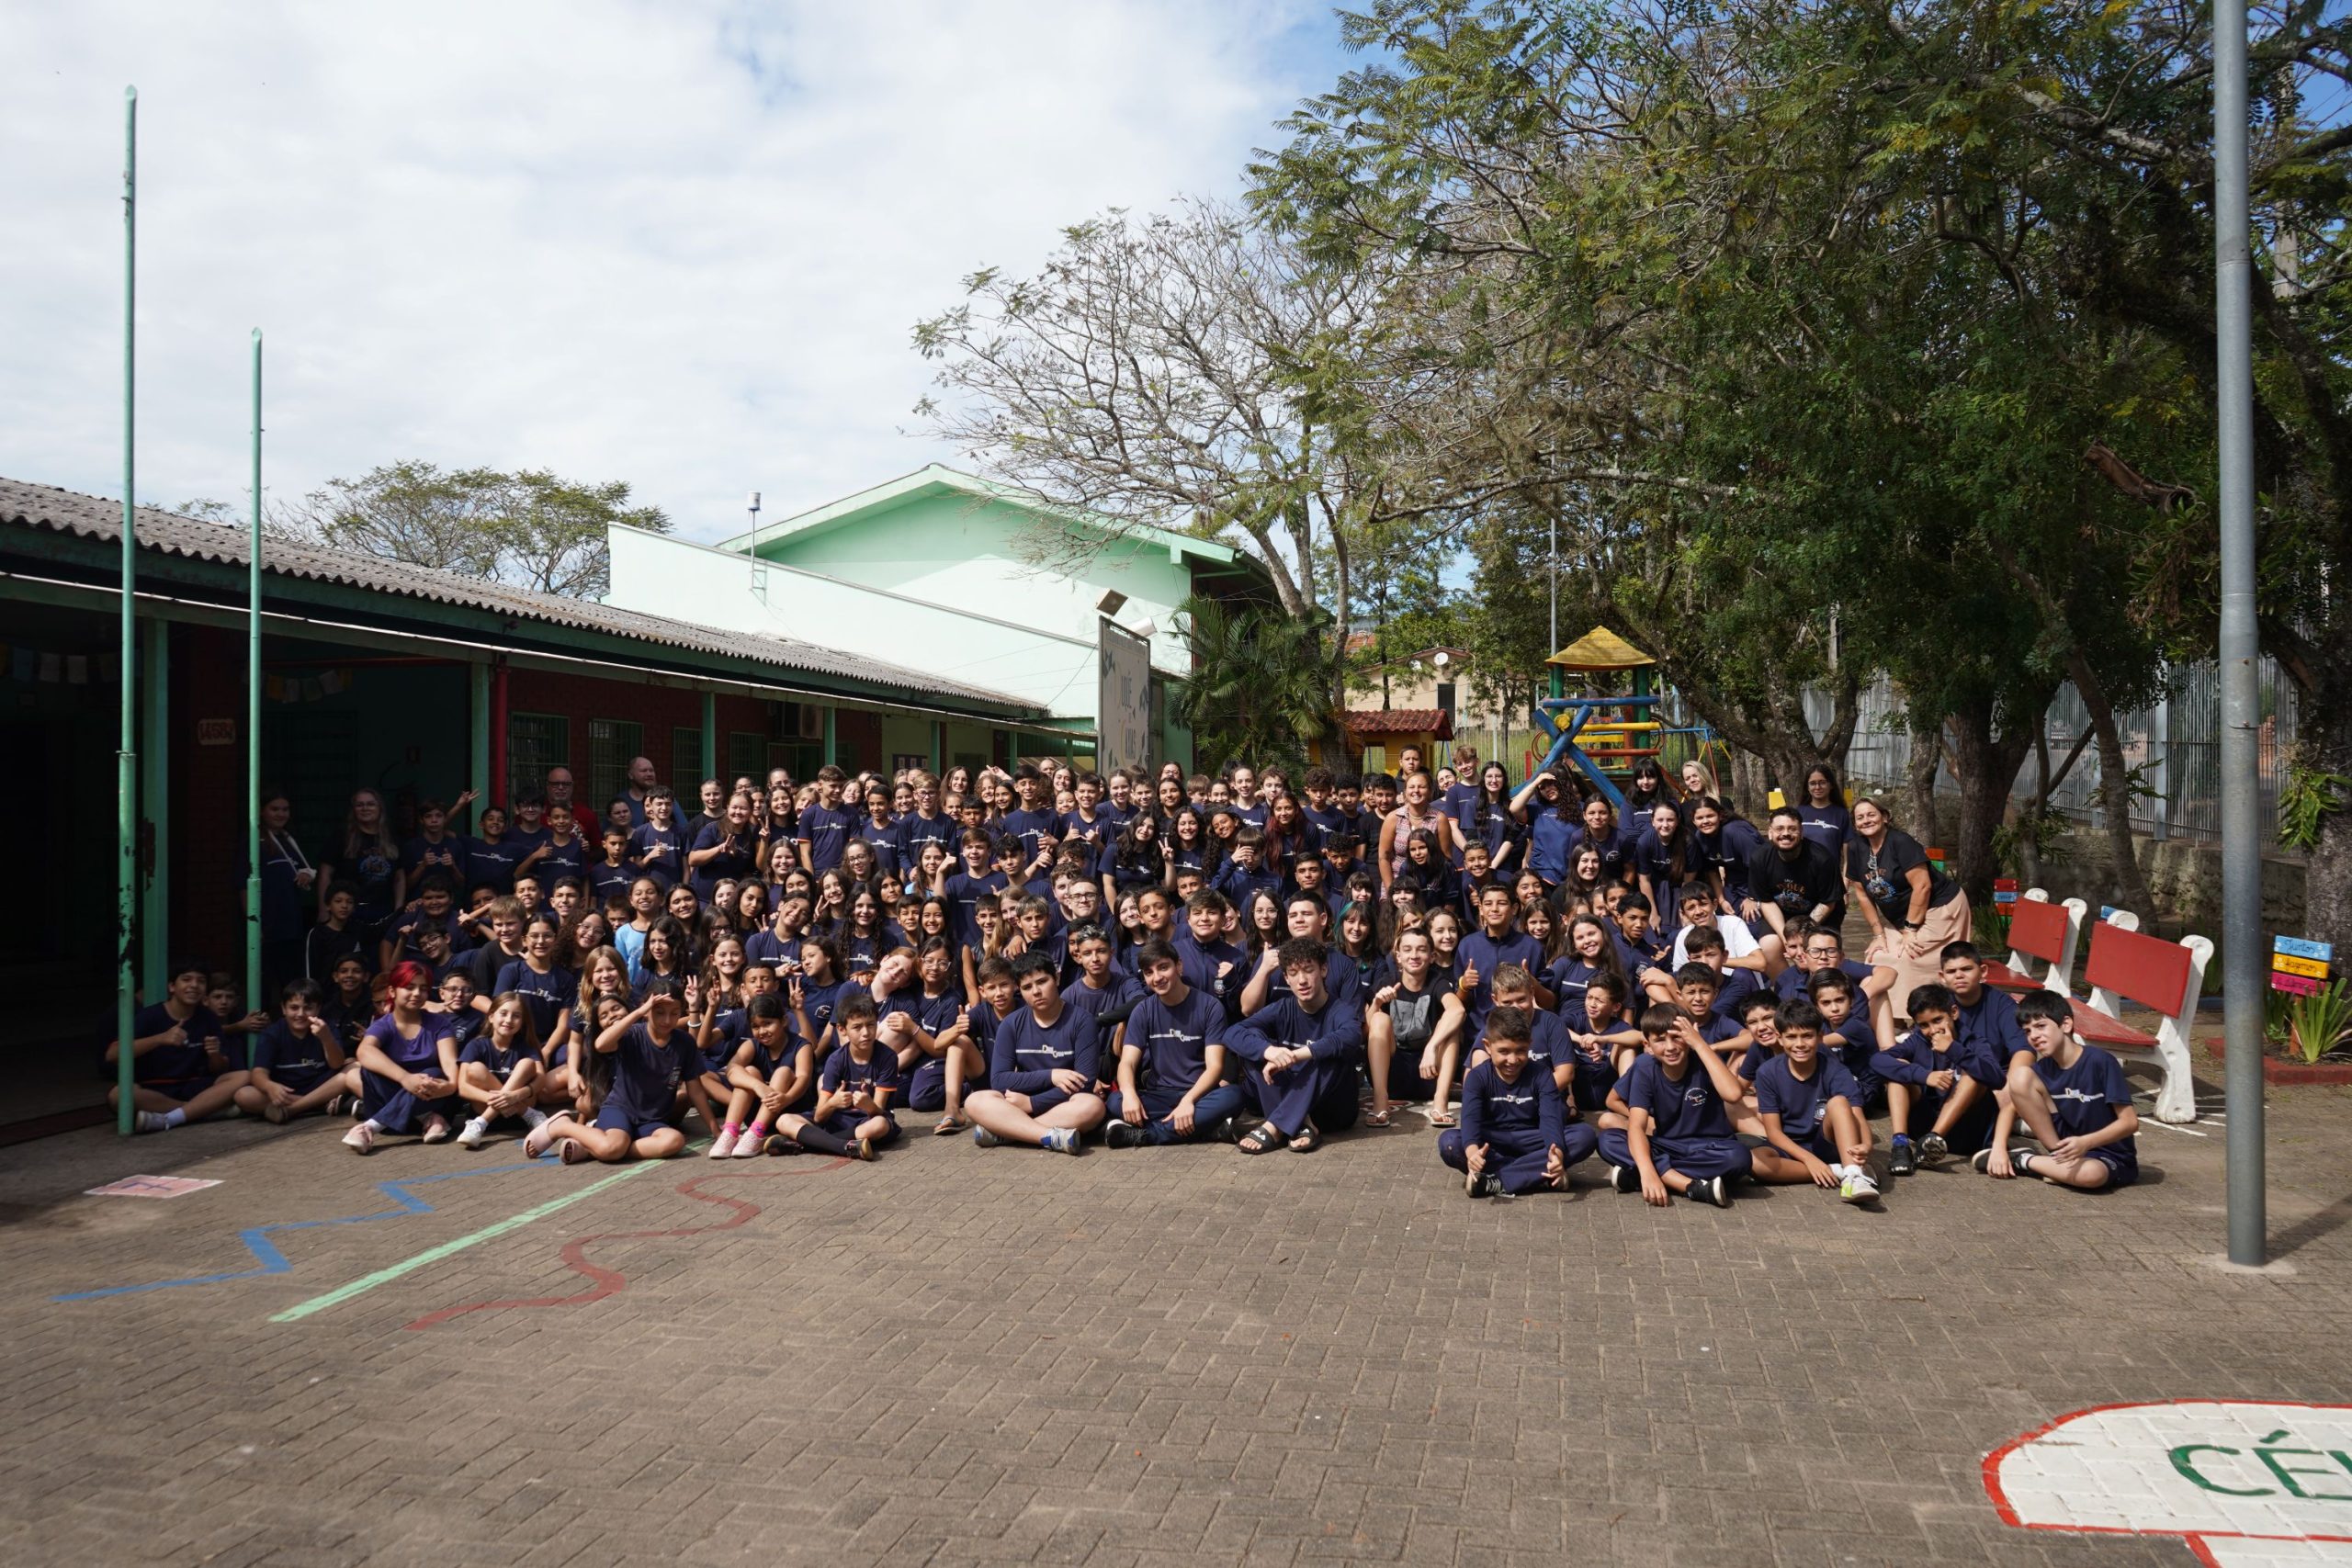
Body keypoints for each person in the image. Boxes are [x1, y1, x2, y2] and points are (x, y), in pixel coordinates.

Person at [1973, 989, 2141, 1190]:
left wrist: (2085, 1143)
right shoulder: (2043, 1069)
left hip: (2109, 1156)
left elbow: (2129, 1123)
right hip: (2066, 1150)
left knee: (2091, 1175)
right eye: (2027, 1031)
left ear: (2066, 1024)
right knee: (2019, 1076)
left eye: (2040, 1026)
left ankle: (2023, 1161)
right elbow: (2010, 1107)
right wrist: (1998, 1148)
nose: (2034, 1036)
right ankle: (2056, 1160)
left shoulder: (2100, 1061)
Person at [524, 980, 703, 1164]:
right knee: (588, 1107)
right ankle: (565, 1127)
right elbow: (587, 1099)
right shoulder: (615, 1042)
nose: (612, 1016)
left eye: (616, 1009)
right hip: (616, 1109)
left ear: (629, 1007)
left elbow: (688, 1049)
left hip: (648, 1115)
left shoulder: (647, 1033)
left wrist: (694, 1009)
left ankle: (592, 1147)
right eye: (604, 1015)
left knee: (673, 1135)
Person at [1598, 1005, 1753, 1207]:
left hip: (1709, 1146)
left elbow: (1733, 1094)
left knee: (1739, 1157)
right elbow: (1636, 1126)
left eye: (1677, 1037)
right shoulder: (1645, 1067)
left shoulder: (1704, 1059)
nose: (1670, 1047)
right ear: (1647, 1045)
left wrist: (1700, 1044)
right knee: (1608, 1140)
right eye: (1660, 1040)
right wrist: (1647, 1172)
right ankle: (1689, 1186)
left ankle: (1641, 1177)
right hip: (1666, 1144)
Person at [1226, 938, 1365, 1154]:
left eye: (1308, 970)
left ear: (1323, 970)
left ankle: (1274, 1127)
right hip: (1289, 1100)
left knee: (1330, 1054)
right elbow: (1233, 1033)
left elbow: (1351, 1036)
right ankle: (1302, 1124)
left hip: (1332, 1111)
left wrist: (1296, 1055)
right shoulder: (1282, 1008)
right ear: (1286, 978)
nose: (1302, 980)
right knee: (1255, 1048)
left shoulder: (1340, 1010)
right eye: (1293, 973)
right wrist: (1269, 1051)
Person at [1104, 940, 1245, 1147]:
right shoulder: (1143, 1010)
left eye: (1163, 967)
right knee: (1115, 1101)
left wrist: (1188, 1101)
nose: (1157, 978)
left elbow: (1215, 1067)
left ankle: (1146, 1135)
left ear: (1179, 966)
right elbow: (1127, 1063)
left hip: (1200, 1095)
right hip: (1159, 1095)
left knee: (1234, 1096)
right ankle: (1207, 1130)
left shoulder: (1210, 1006)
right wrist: (1130, 1094)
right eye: (1149, 972)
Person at [963, 951, 1106, 1154]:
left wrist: (1033, 1103)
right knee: (975, 1101)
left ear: (1056, 978)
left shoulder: (1082, 1021)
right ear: (1019, 990)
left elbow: (1085, 1082)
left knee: (1092, 1105)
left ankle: (1008, 1133)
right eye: (1027, 987)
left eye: (1042, 982)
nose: (1036, 991)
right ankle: (1048, 1135)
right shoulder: (1011, 1024)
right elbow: (999, 1080)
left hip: (1062, 1104)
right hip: (1018, 1103)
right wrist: (1051, 1075)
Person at [1442, 1005, 1592, 1197]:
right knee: (1450, 1142)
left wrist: (1556, 1155)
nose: (1512, 1060)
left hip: (1533, 1139)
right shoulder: (1477, 1077)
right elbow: (1470, 1122)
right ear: (1487, 1046)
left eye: (1520, 1051)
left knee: (1584, 1136)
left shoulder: (1542, 1075)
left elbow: (1550, 1119)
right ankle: (1538, 1176)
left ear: (1529, 1044)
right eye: (1504, 1051)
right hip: (1493, 1142)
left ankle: (1497, 1181)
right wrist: (1473, 1155)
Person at [1845, 796, 1970, 1014]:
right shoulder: (1856, 848)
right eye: (1860, 817)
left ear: (1885, 817)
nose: (1866, 820)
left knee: (1907, 957)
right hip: (1905, 917)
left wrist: (1910, 929)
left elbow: (1923, 886)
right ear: (1855, 824)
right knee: (1878, 955)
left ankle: (1924, 1012)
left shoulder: (1900, 842)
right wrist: (1878, 934)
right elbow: (1862, 894)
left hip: (1939, 908)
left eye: (1871, 814)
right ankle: (1889, 1019)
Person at [1747, 999, 1879, 1202]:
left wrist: (1867, 1145)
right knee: (1755, 1163)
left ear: (1820, 1037)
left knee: (1839, 1102)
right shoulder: (1767, 1072)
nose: (1800, 1044)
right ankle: (1839, 1171)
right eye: (1791, 1037)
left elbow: (1857, 1117)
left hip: (1827, 1142)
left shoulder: (1836, 1070)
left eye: (1807, 1036)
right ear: (1780, 1038)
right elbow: (1774, 1133)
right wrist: (1810, 1161)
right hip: (1791, 1146)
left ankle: (1853, 1177)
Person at [1872, 983, 2002, 1175]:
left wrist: (1953, 1049)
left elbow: (1998, 1078)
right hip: (1925, 1124)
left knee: (1974, 1074)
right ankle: (1900, 1145)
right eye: (1924, 1025)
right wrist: (1924, 1076)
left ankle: (1933, 1140)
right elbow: (1877, 1060)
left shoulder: (1975, 1042)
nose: (1933, 1030)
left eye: (1938, 1020)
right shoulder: (1918, 1040)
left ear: (1954, 1013)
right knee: (1898, 1071)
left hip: (1969, 1132)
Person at [108, 959, 248, 1133]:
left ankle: (172, 1117)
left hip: (195, 1086)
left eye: (201, 981)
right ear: (172, 987)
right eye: (186, 979)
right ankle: (202, 1111)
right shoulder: (150, 1016)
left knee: (243, 1076)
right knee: (118, 1095)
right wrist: (160, 1039)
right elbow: (112, 1055)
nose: (194, 985)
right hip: (155, 1088)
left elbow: (220, 1068)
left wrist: (215, 1055)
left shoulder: (207, 1017)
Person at [344, 961, 459, 1153]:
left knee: (433, 1072)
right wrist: (405, 1078)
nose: (417, 993)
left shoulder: (440, 1024)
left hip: (430, 1098)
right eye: (409, 987)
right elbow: (364, 1051)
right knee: (369, 1070)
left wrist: (450, 1086)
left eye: (423, 988)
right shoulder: (383, 1025)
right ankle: (428, 1119)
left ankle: (369, 1127)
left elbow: (449, 1063)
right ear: (392, 991)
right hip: (403, 1113)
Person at [1363, 926, 1466, 1127]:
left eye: (1421, 950)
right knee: (1379, 1019)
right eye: (1408, 949)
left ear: (1432, 956)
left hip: (1429, 1071)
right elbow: (1364, 1033)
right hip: (1392, 1074)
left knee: (1450, 1027)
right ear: (1398, 956)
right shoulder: (1387, 981)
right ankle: (1380, 1101)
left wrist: (1431, 1047)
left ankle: (1440, 1102)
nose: (1414, 955)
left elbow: (1458, 1011)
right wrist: (1376, 1004)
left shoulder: (1437, 982)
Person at [238, 978, 358, 1124]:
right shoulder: (273, 1033)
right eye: (294, 1008)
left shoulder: (326, 1027)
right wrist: (269, 1086)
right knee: (243, 1095)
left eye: (308, 1008)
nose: (300, 1014)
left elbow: (337, 1064)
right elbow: (258, 1073)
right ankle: (320, 1105)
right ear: (284, 1009)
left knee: (354, 1066)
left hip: (322, 1086)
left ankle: (293, 1109)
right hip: (285, 1091)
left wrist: (326, 1038)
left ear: (318, 1009)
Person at [452, 992, 551, 1149]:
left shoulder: (526, 1046)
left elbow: (541, 1079)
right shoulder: (476, 1045)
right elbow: (463, 1088)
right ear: (491, 1017)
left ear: (522, 1022)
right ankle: (482, 1123)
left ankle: (481, 1122)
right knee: (475, 1069)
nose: (509, 1020)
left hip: (520, 1118)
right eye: (503, 1013)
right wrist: (503, 1100)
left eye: (516, 1016)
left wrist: (516, 1096)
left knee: (527, 1064)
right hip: (488, 1109)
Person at [1745, 807, 1843, 938]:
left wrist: (1804, 934)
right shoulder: (1760, 858)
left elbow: (1828, 903)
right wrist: (1786, 937)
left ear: (1801, 832)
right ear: (1770, 833)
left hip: (1821, 915)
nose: (1786, 833)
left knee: (1814, 946)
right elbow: (1766, 902)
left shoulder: (1822, 859)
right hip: (1781, 914)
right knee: (1769, 944)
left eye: (1792, 829)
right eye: (1779, 829)